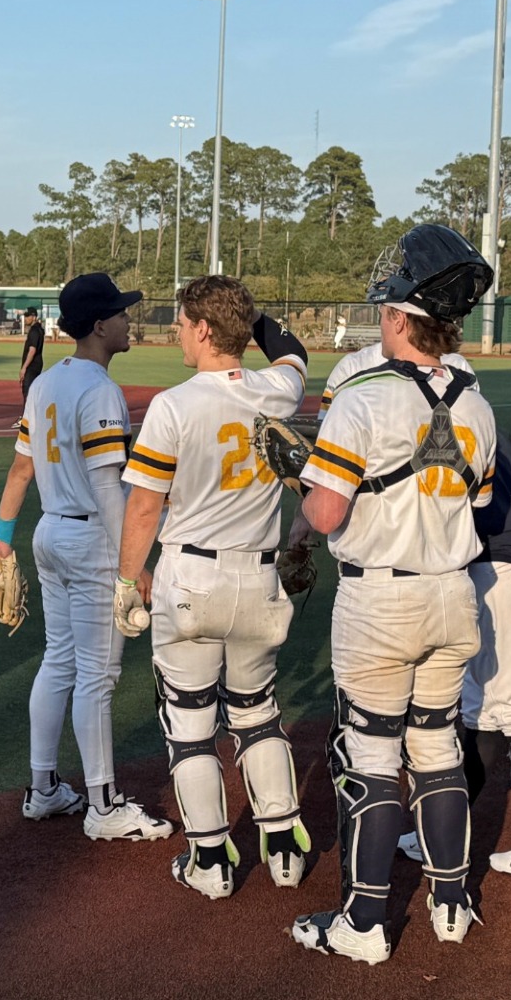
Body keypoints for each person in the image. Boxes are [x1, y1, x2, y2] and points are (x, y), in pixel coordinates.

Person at [290, 223, 497, 965]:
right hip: (453, 592)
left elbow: (324, 513)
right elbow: (480, 501)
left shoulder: (363, 396)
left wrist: (303, 473)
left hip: (381, 599)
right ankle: (450, 903)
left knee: (371, 758)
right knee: (437, 747)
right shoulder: (477, 401)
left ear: (400, 317)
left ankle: (364, 926)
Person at [115, 275, 310, 900]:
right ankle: (283, 848)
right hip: (259, 575)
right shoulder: (278, 390)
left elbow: (145, 507)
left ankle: (211, 862)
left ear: (202, 328)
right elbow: (293, 352)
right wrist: (249, 320)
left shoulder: (173, 405)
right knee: (257, 713)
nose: (175, 330)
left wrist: (124, 581)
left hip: (191, 576)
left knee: (190, 723)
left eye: (181, 321)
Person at [0, 272, 174, 843]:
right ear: (99, 325)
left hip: (49, 533)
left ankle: (44, 790)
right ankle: (103, 805)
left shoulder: (45, 382)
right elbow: (105, 484)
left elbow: (22, 468)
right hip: (93, 539)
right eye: (120, 313)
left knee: (59, 661)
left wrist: (1, 536)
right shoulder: (98, 390)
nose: (127, 320)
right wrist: (133, 565)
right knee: (98, 675)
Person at [398, 429, 511, 881]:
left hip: (496, 574)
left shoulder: (434, 426)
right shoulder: (486, 423)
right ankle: (438, 831)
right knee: (484, 713)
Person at [19, 307, 46, 400]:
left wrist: (24, 367)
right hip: (37, 364)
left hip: (32, 366)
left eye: (28, 316)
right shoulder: (39, 329)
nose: (25, 318)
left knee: (28, 392)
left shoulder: (34, 331)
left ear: (34, 317)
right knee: (34, 392)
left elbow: (32, 350)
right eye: (25, 316)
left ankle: (27, 414)